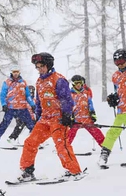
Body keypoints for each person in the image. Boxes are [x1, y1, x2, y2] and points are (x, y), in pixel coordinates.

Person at [16, 52, 84, 182]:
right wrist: (38, 115)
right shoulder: (39, 81)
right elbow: (39, 101)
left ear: (49, 65)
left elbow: (67, 99)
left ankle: (74, 171)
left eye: (42, 66)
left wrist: (67, 114)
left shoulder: (58, 79)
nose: (39, 69)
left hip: (58, 119)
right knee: (30, 142)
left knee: (61, 145)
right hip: (45, 120)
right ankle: (27, 171)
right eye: (37, 67)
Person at [0, 69, 36, 145]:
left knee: (30, 124)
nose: (15, 74)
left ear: (19, 72)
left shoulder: (23, 82)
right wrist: (4, 104)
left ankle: (37, 140)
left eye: (17, 72)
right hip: (11, 108)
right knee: (5, 123)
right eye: (14, 72)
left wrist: (32, 104)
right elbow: (2, 95)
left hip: (22, 108)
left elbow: (28, 95)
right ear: (11, 72)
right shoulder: (7, 82)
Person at [68, 75, 105, 148]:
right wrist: (70, 117)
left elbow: (90, 104)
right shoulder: (70, 94)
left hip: (86, 118)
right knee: (70, 133)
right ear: (73, 84)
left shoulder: (86, 93)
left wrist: (92, 114)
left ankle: (105, 145)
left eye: (80, 83)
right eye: (76, 83)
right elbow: (68, 107)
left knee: (95, 131)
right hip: (76, 120)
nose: (78, 85)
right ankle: (64, 147)